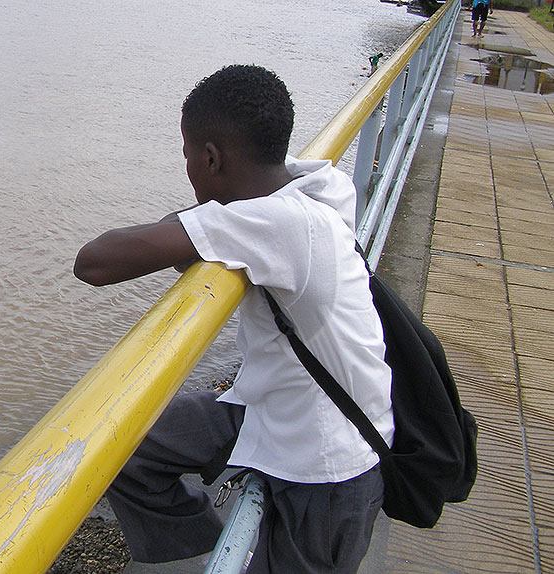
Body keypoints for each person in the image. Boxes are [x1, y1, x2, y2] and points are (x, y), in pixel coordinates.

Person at [73, 65, 394, 573]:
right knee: (115, 435)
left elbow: (93, 262)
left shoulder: (277, 223)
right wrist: (204, 223)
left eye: (187, 156)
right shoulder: (316, 184)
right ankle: (205, 547)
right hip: (272, 406)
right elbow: (180, 240)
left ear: (210, 157)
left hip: (328, 464)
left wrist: (198, 224)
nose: (187, 168)